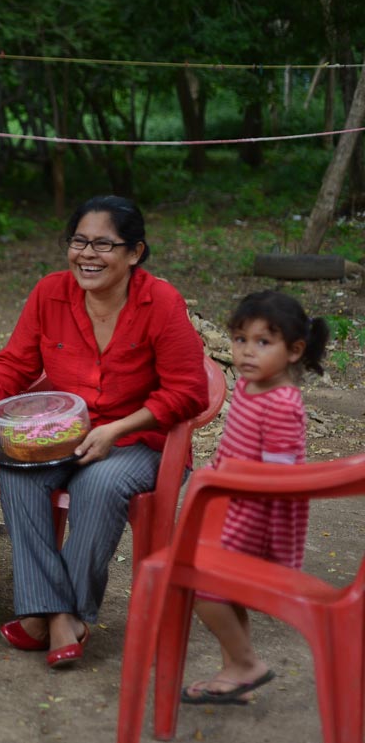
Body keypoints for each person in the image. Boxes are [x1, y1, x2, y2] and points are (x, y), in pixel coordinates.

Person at [0, 195, 207, 669]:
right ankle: (61, 617)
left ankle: (50, 618)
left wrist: (117, 428)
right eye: (78, 241)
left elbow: (189, 391)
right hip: (63, 435)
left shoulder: (160, 302)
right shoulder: (50, 293)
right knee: (14, 472)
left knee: (98, 484)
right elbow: (16, 361)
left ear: (134, 252)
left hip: (140, 442)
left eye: (103, 244)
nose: (87, 254)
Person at [181, 291, 328, 705]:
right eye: (241, 339)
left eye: (263, 342)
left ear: (295, 350)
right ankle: (237, 673)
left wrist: (226, 480)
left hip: (257, 514)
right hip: (231, 505)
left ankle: (246, 664)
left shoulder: (282, 404)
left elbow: (277, 478)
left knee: (202, 587)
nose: (247, 352)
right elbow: (237, 444)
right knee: (219, 590)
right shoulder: (248, 386)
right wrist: (219, 465)